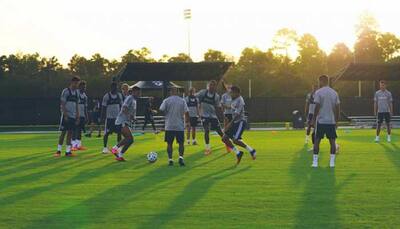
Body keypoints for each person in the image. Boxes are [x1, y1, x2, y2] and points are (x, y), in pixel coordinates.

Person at [222, 86, 256, 165]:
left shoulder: (240, 100)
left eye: (232, 92)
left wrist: (230, 124)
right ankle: (238, 153)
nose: (230, 94)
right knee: (224, 138)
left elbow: (237, 114)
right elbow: (232, 109)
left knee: (235, 140)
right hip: (234, 122)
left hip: (240, 122)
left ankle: (251, 150)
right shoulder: (233, 99)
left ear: (237, 93)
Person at [312, 75, 340, 168]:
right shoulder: (334, 93)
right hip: (331, 121)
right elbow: (338, 108)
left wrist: (313, 119)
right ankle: (332, 163)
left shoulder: (318, 92)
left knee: (317, 141)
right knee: (332, 142)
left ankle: (315, 163)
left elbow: (317, 106)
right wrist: (337, 121)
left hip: (321, 121)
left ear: (321, 81)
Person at [196, 80, 230, 155]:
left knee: (220, 132)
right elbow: (195, 96)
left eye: (213, 85)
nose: (211, 87)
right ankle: (207, 148)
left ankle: (228, 145)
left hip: (213, 116)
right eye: (210, 85)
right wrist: (198, 109)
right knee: (206, 131)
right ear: (208, 86)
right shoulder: (203, 92)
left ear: (215, 87)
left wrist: (223, 117)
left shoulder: (216, 96)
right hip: (204, 115)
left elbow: (218, 107)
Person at [159, 87, 190, 166]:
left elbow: (161, 109)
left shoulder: (166, 100)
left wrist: (167, 114)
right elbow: (186, 112)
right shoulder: (182, 101)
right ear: (178, 92)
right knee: (181, 143)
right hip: (179, 125)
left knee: (169, 143)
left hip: (169, 125)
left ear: (170, 92)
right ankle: (181, 158)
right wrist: (187, 122)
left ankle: (170, 159)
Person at [110, 86, 140, 161]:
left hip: (126, 122)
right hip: (122, 121)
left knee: (130, 140)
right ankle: (115, 148)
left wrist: (133, 118)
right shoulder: (130, 98)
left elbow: (130, 112)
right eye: (137, 92)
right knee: (129, 138)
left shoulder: (134, 100)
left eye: (139, 92)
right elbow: (124, 108)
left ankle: (119, 155)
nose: (138, 94)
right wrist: (130, 116)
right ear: (133, 92)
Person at [55, 76, 80, 157]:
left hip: (73, 116)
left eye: (77, 83)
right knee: (63, 133)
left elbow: (77, 105)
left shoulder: (77, 92)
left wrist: (77, 116)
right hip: (66, 116)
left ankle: (68, 152)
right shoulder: (66, 91)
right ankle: (58, 151)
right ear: (72, 82)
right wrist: (65, 115)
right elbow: (62, 104)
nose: (76, 85)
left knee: (70, 133)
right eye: (75, 83)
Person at [101, 82, 124, 154]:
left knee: (119, 133)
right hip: (109, 118)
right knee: (107, 133)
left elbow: (121, 106)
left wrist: (122, 116)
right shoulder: (106, 96)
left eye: (116, 87)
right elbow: (103, 108)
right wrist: (102, 118)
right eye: (114, 87)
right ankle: (105, 148)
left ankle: (118, 147)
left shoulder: (119, 95)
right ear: (111, 88)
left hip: (117, 118)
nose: (115, 89)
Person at [72, 80, 89, 150]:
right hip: (76, 115)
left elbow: (85, 107)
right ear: (79, 87)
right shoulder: (76, 93)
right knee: (74, 130)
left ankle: (78, 145)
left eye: (85, 87)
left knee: (80, 130)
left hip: (82, 115)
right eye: (83, 87)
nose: (84, 88)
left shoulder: (85, 96)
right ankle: (73, 145)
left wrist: (86, 116)